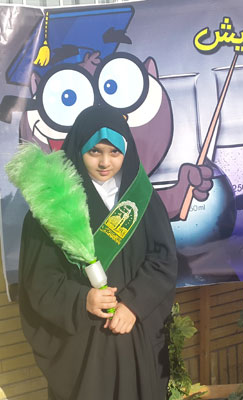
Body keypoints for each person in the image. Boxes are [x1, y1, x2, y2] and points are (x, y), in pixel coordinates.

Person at [18, 105, 178, 399]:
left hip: (134, 336)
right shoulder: (51, 207)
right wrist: (83, 299)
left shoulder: (143, 199)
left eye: (114, 152)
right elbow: (39, 281)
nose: (105, 162)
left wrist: (134, 305)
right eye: (95, 152)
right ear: (79, 148)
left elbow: (162, 260)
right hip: (84, 348)